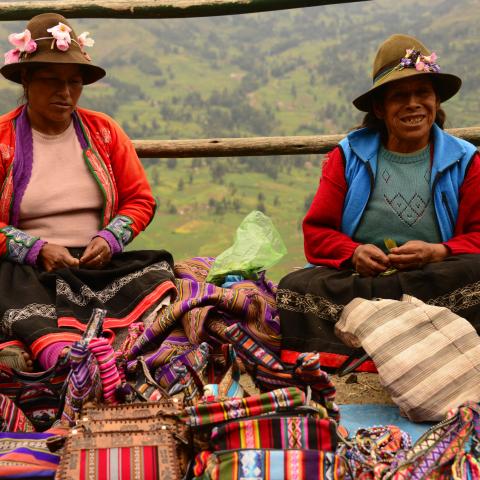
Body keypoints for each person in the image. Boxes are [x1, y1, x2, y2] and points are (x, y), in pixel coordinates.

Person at [277, 34, 480, 371]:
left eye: (423, 93)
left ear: (436, 102)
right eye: (400, 96)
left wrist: (438, 252)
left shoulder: (465, 161)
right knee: (294, 288)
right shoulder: (350, 156)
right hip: (363, 283)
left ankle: (371, 346)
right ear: (379, 108)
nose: (413, 104)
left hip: (432, 281)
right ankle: (412, 345)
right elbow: (317, 232)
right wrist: (353, 253)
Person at [0, 13, 176, 372]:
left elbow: (140, 200)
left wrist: (110, 239)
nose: (65, 93)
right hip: (24, 269)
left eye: (74, 82)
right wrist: (36, 249)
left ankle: (61, 348)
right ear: (26, 80)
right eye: (51, 81)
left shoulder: (104, 132)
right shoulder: (3, 139)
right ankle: (57, 353)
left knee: (160, 277)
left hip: (94, 265)